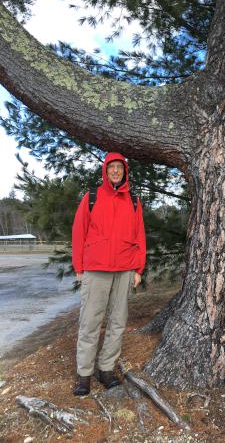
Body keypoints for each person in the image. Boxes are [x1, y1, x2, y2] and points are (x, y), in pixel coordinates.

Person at [72, 152, 146, 396]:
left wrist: (138, 268)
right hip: (96, 270)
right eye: (111, 167)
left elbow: (139, 236)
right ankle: (83, 375)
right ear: (105, 170)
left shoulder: (133, 201)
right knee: (90, 323)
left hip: (124, 269)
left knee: (117, 323)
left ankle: (105, 369)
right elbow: (78, 232)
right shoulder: (92, 197)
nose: (115, 171)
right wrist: (79, 268)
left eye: (119, 168)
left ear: (125, 171)